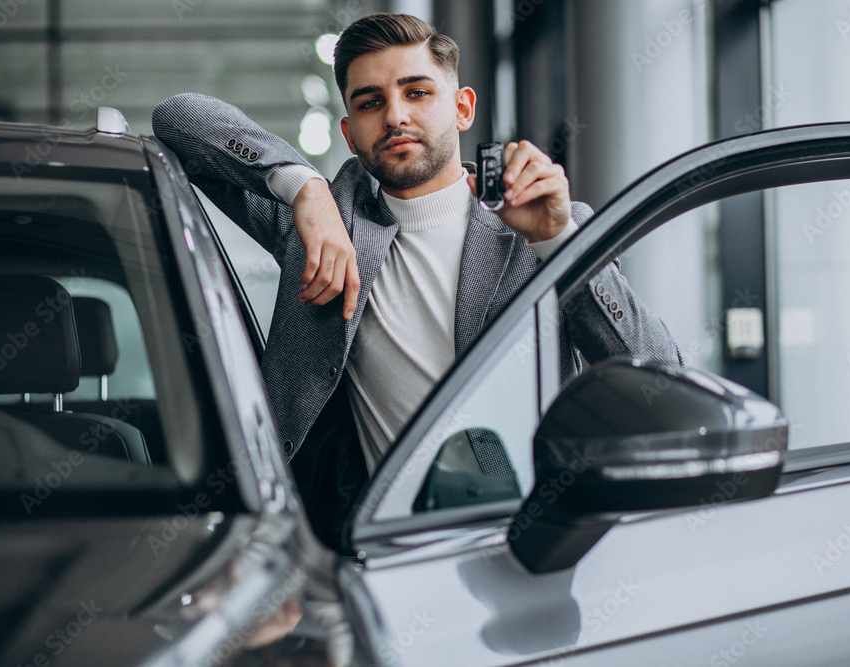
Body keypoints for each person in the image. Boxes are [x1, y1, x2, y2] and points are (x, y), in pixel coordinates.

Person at [152, 12, 681, 549]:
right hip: (377, 558)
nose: (395, 116)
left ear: (462, 107)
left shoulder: (542, 229)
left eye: (418, 92)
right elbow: (179, 118)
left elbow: (660, 377)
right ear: (349, 133)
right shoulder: (321, 229)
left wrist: (558, 243)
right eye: (370, 102)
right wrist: (306, 187)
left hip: (532, 545)